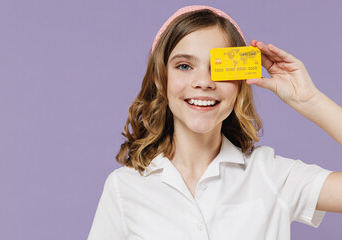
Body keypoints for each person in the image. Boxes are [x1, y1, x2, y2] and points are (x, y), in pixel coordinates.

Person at [87, 5, 342, 240]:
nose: (204, 82)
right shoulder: (124, 187)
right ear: (160, 78)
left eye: (219, 68)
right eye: (185, 66)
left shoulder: (270, 175)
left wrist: (310, 101)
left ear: (240, 83)